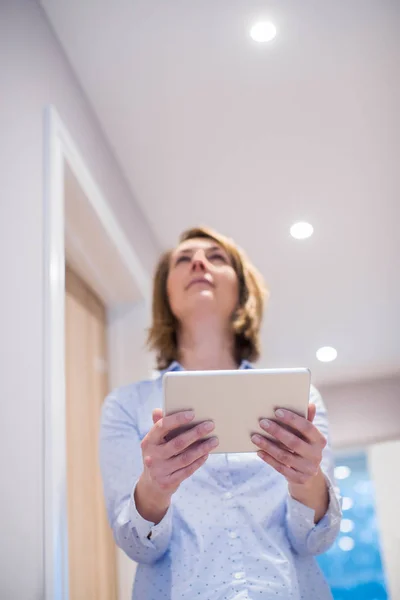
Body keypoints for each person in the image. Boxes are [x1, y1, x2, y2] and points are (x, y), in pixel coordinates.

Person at [100, 226, 342, 600]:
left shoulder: (299, 397)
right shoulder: (126, 405)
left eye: (216, 257)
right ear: (166, 293)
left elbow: (314, 540)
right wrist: (155, 487)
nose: (199, 262)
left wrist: (306, 478)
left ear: (242, 291)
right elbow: (139, 547)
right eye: (184, 259)